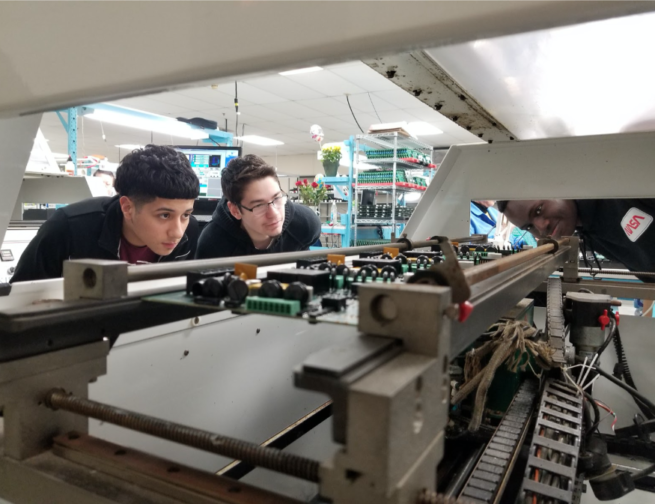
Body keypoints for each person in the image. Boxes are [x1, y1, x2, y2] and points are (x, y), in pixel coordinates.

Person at [11, 145, 200, 283]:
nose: (177, 232)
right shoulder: (68, 228)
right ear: (127, 207)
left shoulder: (189, 231)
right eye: (165, 215)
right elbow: (18, 301)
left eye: (185, 215)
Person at [196, 154, 321, 258]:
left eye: (276, 198)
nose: (274, 214)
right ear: (235, 211)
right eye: (259, 206)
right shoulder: (213, 244)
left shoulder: (305, 224)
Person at [497, 199, 655, 279]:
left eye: (538, 210)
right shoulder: (586, 231)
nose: (540, 227)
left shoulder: (621, 192)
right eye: (528, 227)